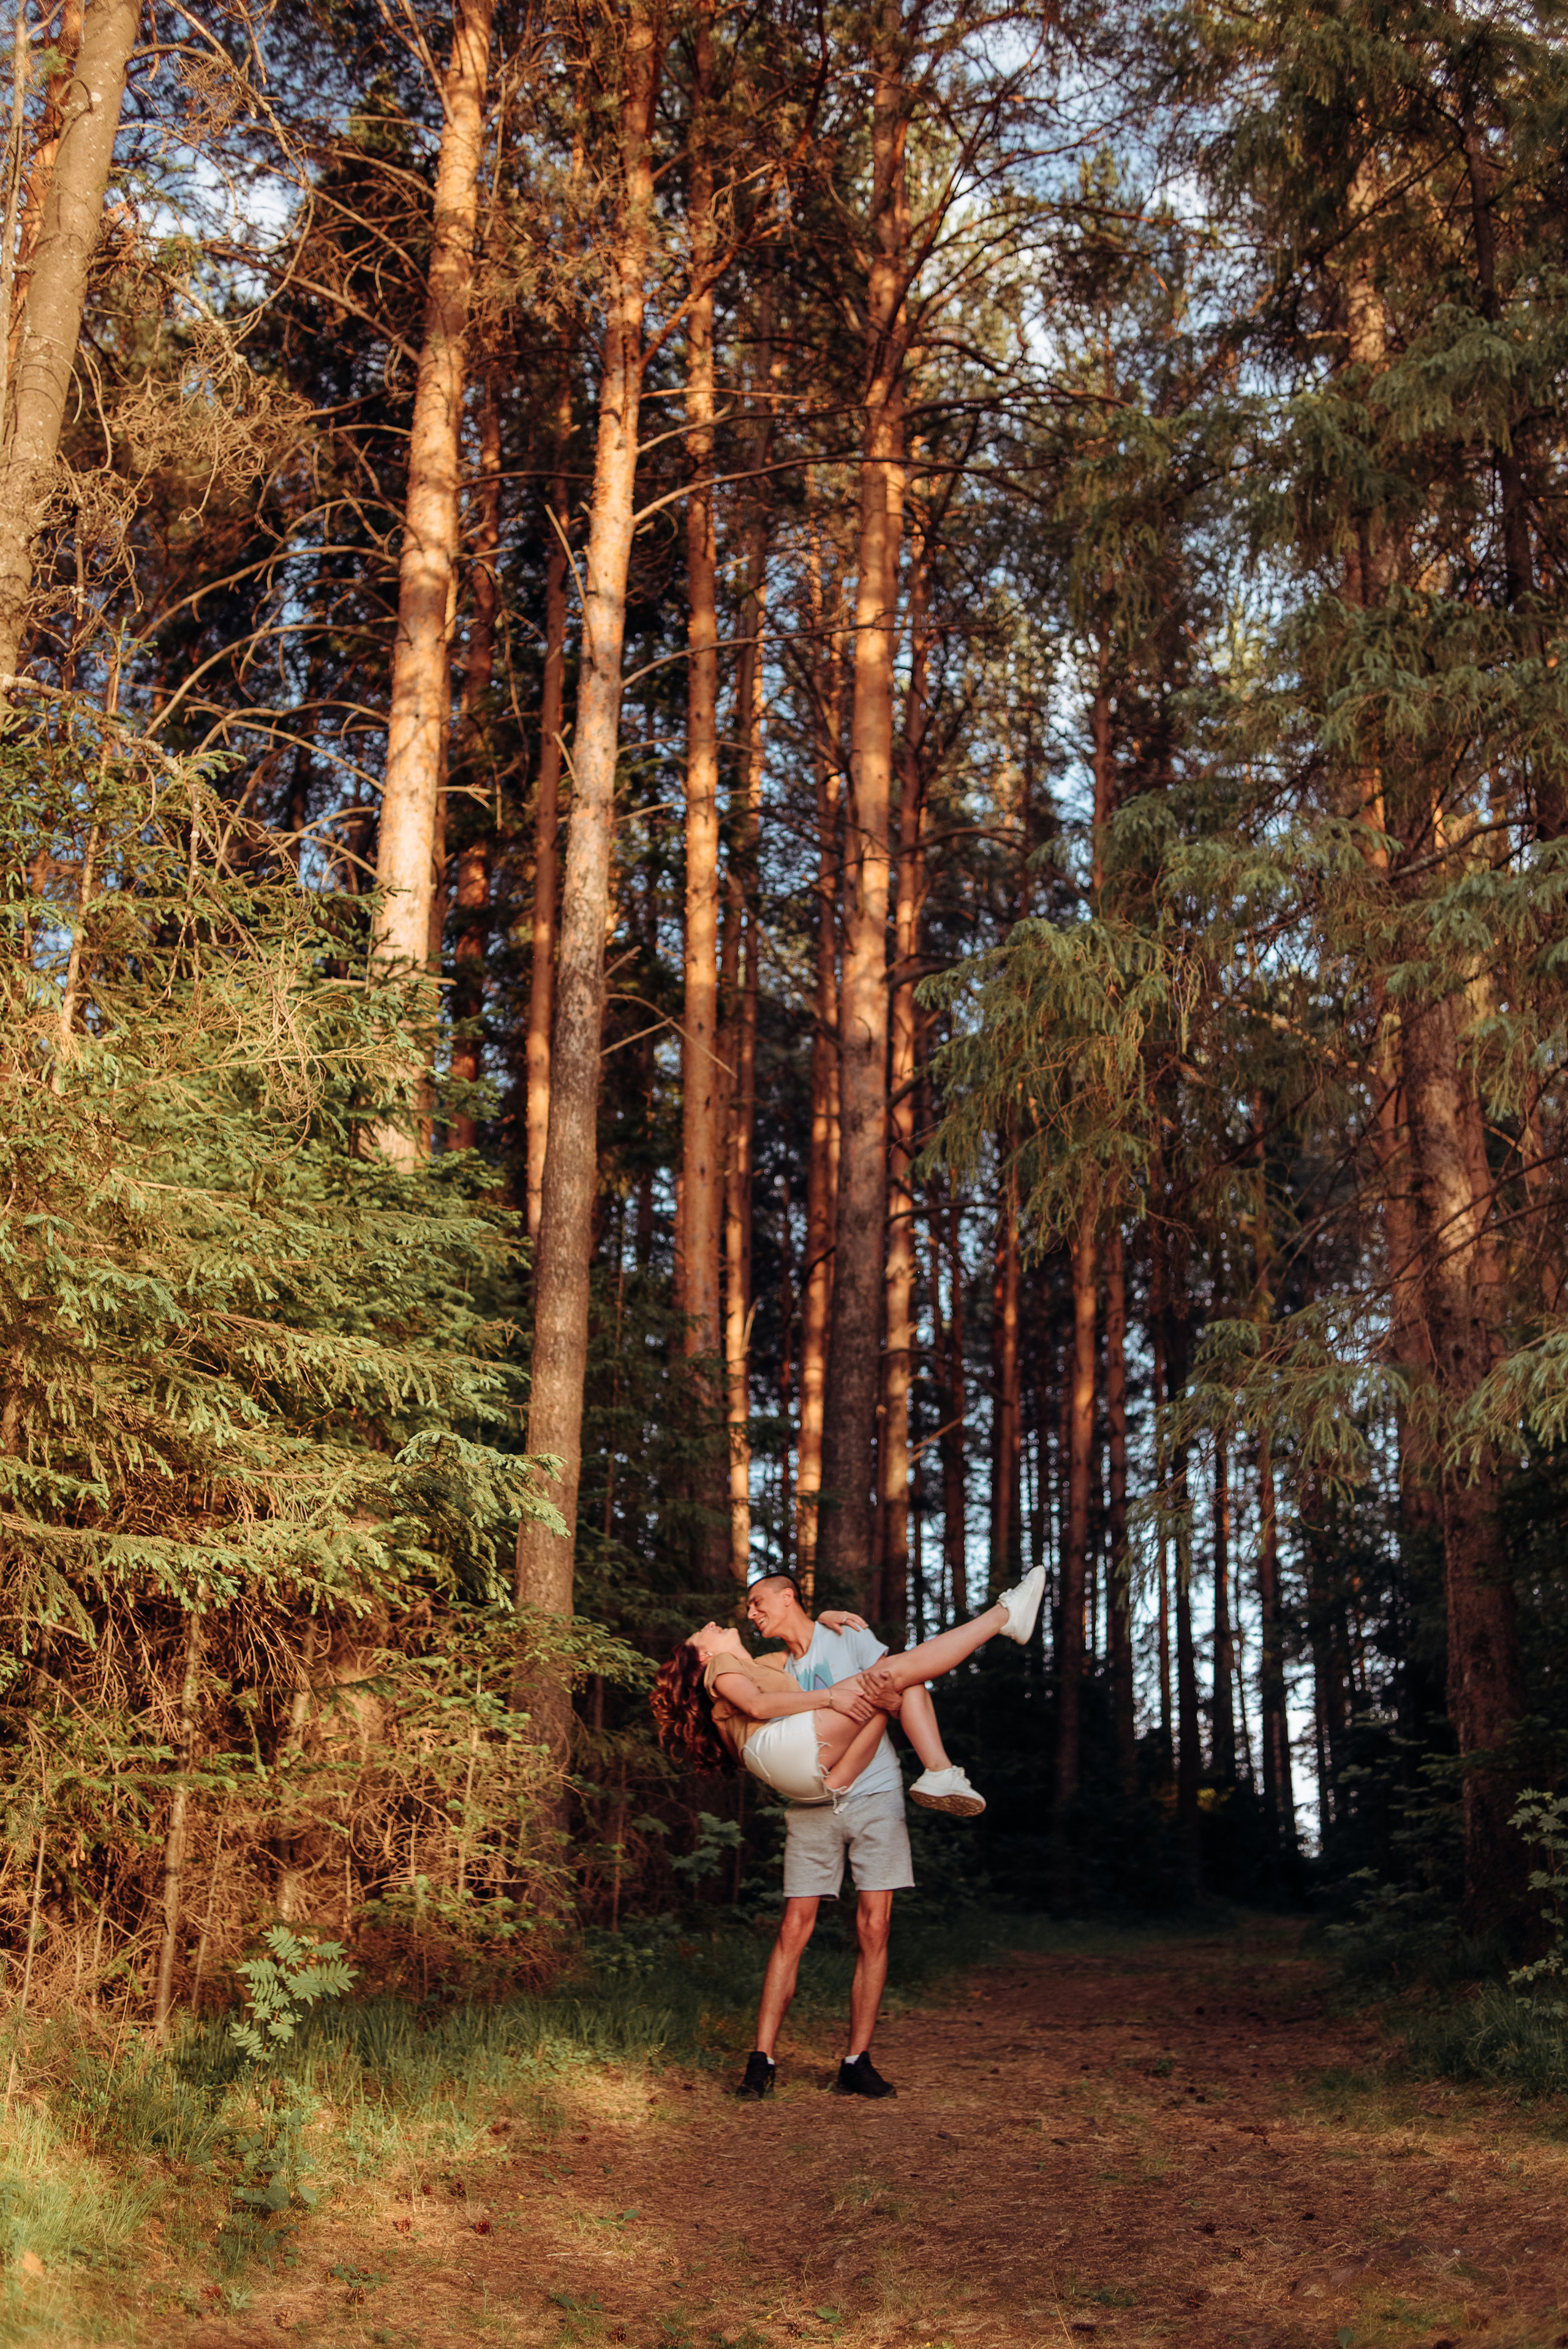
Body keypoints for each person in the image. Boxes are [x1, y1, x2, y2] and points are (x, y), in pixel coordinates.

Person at [650, 1566, 1045, 2103]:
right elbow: (765, 1704)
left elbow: (896, 1689)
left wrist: (834, 1623)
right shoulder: (771, 1665)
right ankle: (761, 2059)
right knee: (794, 1927)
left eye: (757, 1603)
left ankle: (856, 2061)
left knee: (875, 1927)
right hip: (813, 1799)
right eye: (742, 1612)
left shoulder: (845, 1636)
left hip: (872, 1789)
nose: (745, 1614)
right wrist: (836, 1699)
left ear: (788, 1597)